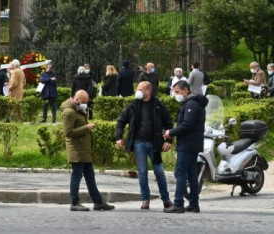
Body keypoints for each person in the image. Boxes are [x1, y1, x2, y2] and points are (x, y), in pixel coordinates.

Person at [115, 81, 174, 210]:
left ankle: (166, 199)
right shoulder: (133, 105)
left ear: (148, 91)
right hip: (139, 143)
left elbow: (169, 123)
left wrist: (168, 141)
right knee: (142, 172)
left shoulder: (158, 105)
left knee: (159, 172)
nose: (138, 91)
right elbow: (121, 121)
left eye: (140, 89)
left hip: (155, 143)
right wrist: (118, 137)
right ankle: (145, 200)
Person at [61, 89, 114, 212]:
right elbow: (68, 132)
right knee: (76, 176)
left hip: (84, 150)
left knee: (90, 177)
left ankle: (98, 202)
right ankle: (74, 202)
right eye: (84, 102)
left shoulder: (78, 109)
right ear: (77, 99)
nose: (86, 104)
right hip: (77, 151)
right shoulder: (69, 112)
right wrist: (86, 128)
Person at [163, 80, 208, 213]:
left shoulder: (191, 104)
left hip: (187, 144)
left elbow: (187, 125)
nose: (175, 94)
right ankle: (194, 203)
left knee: (180, 173)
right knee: (191, 174)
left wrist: (170, 132)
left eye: (177, 92)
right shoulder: (192, 103)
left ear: (186, 90)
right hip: (192, 143)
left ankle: (178, 203)